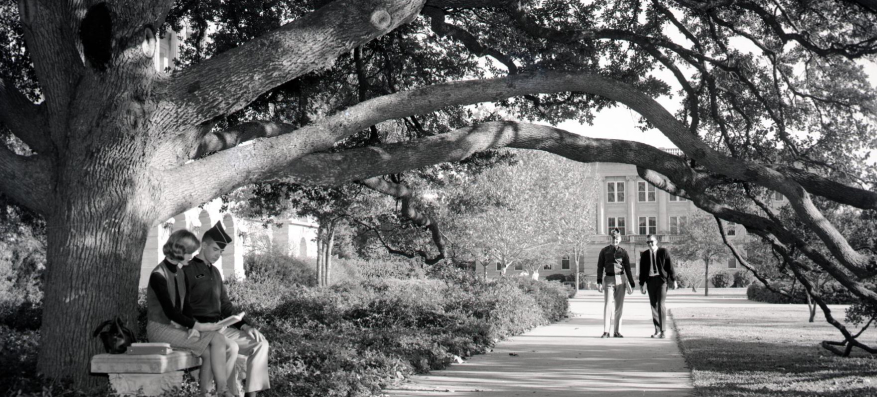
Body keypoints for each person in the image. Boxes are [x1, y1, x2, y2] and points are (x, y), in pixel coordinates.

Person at [146, 230, 238, 397]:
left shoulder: (179, 271)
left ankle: (206, 393)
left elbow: (186, 305)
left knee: (210, 351)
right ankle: (223, 391)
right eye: (190, 252)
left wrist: (192, 326)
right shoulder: (158, 275)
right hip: (159, 329)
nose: (193, 256)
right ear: (179, 252)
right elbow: (171, 312)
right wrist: (198, 325)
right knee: (216, 338)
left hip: (177, 327)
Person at [185, 222, 270, 397]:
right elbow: (180, 305)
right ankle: (230, 393)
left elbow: (225, 306)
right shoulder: (187, 270)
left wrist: (246, 326)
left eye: (221, 252)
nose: (218, 255)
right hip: (202, 330)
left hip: (222, 327)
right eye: (215, 249)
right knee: (230, 348)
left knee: (261, 344)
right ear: (204, 245)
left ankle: (250, 395)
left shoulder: (215, 273)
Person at [596, 228, 634, 338]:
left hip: (621, 279)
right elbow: (599, 267)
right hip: (608, 279)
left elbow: (627, 268)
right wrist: (599, 281)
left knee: (619, 307)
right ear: (610, 239)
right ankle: (606, 331)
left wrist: (631, 283)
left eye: (617, 239)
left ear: (620, 239)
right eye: (613, 239)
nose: (615, 241)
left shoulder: (623, 252)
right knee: (608, 305)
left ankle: (617, 331)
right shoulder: (604, 251)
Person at [638, 234, 677, 338]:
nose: (650, 244)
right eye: (648, 242)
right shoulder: (645, 254)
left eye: (651, 241)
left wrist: (674, 280)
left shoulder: (663, 252)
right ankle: (657, 330)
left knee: (661, 304)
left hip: (661, 281)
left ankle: (663, 330)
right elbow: (642, 271)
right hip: (650, 281)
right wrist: (642, 284)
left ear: (656, 241)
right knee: (653, 306)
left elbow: (670, 266)